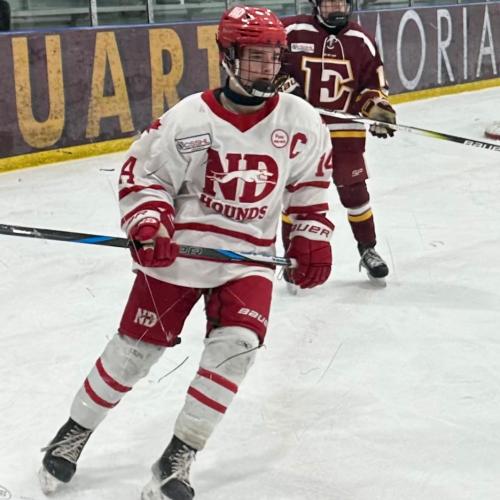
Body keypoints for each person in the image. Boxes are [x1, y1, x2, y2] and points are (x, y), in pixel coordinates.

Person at [38, 5, 334, 500]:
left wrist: (310, 235)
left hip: (248, 261)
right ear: (227, 56)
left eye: (272, 57)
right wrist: (149, 222)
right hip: (179, 258)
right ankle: (73, 434)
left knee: (236, 351)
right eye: (254, 57)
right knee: (134, 353)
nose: (266, 68)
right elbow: (145, 177)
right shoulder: (189, 118)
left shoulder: (300, 120)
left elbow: (311, 186)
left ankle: (178, 456)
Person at [277, 0, 395, 284]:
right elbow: (270, 68)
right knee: (296, 196)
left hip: (345, 132)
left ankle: (368, 250)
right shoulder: (291, 31)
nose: (336, 8)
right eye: (329, 2)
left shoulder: (361, 40)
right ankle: (292, 258)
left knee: (355, 193)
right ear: (316, 4)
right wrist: (287, 89)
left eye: (341, 2)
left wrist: (377, 108)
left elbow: (372, 85)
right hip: (301, 132)